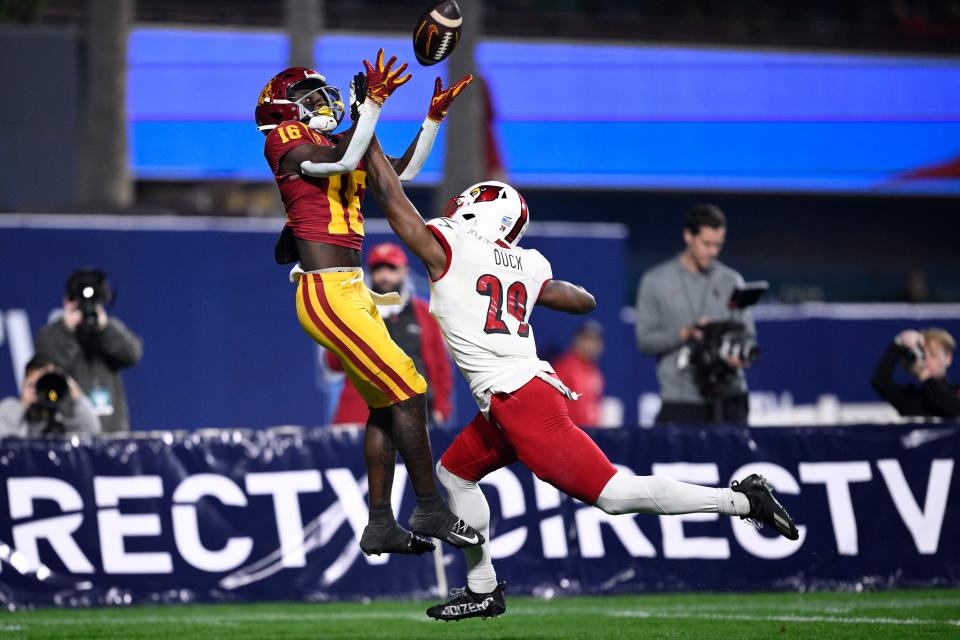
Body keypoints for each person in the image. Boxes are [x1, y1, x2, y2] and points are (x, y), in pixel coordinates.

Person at [362, 138, 798, 622]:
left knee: (614, 494)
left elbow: (390, 197)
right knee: (454, 473)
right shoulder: (528, 263)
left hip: (521, 401)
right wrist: (530, 289)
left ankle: (741, 500)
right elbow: (582, 300)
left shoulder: (451, 247)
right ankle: (482, 586)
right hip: (514, 396)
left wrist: (370, 131)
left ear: (481, 211)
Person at [257, 49, 482, 556]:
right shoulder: (284, 141)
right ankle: (427, 505)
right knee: (410, 387)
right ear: (283, 109)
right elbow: (341, 160)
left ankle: (380, 523)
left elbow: (394, 175)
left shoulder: (335, 143)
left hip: (351, 288)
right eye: (310, 98)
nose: (323, 104)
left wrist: (431, 119)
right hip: (325, 290)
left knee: (387, 401)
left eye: (325, 96)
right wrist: (371, 108)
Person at [635, 204, 755, 425]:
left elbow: (749, 336)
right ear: (688, 236)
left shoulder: (733, 281)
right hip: (681, 402)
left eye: (718, 245)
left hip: (730, 398)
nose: (713, 252)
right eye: (707, 244)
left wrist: (739, 355)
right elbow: (644, 342)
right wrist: (684, 333)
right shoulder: (655, 282)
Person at [325, 242, 452, 427]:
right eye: (378, 269)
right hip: (365, 415)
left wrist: (440, 409)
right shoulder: (356, 312)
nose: (384, 276)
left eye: (391, 268)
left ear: (405, 271)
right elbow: (333, 363)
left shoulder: (425, 314)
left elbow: (441, 368)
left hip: (416, 414)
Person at [34, 269, 142, 433]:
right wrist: (69, 332)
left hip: (112, 436)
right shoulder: (51, 334)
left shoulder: (108, 329)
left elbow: (133, 355)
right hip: (68, 435)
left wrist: (105, 328)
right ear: (66, 301)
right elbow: (50, 372)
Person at [0, 355, 100, 438]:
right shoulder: (11, 409)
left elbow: (92, 432)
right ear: (26, 383)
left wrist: (73, 390)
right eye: (36, 383)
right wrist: (23, 403)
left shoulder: (62, 419)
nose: (44, 388)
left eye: (47, 381)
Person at [871, 328, 960, 419]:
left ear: (948, 358)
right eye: (922, 356)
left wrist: (926, 378)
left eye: (933, 355)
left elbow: (954, 409)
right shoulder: (910, 397)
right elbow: (880, 381)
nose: (926, 361)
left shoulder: (956, 392)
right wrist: (899, 343)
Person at [551, 321, 605, 427]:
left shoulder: (595, 371)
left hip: (591, 433)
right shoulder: (564, 367)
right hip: (569, 432)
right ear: (577, 340)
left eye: (596, 341)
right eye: (587, 340)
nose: (591, 346)